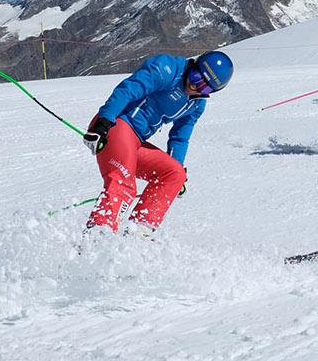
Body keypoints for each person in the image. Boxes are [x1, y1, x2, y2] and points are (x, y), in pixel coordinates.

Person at [82, 51, 232, 236]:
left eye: (205, 87)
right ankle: (96, 238)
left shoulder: (196, 105)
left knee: (174, 174)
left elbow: (180, 137)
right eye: (196, 76)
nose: (195, 85)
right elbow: (128, 89)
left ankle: (138, 233)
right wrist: (103, 122)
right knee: (124, 185)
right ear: (193, 64)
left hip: (136, 141)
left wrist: (178, 167)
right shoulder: (167, 69)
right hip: (115, 125)